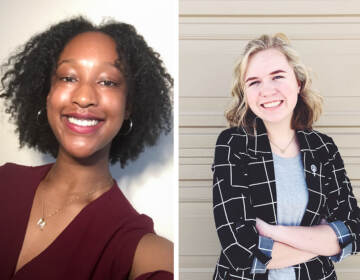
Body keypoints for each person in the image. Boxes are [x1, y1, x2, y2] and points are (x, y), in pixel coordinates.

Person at [0, 17, 173, 280]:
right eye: (68, 77)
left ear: (128, 106)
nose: (83, 98)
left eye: (107, 82)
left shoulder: (136, 246)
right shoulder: (5, 181)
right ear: (47, 93)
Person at [212, 33, 360, 280]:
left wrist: (274, 232)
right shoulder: (233, 144)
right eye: (254, 82)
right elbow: (239, 250)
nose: (267, 90)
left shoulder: (323, 148)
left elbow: (354, 231)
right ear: (245, 93)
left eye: (278, 76)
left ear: (298, 83)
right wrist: (322, 242)